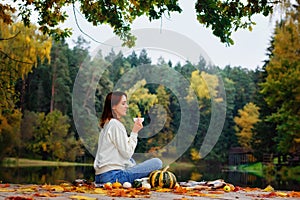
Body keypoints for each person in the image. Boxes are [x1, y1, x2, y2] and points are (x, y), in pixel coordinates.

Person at [94, 91, 163, 184]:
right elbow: (127, 153)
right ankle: (142, 180)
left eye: (126, 103)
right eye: (123, 103)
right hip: (113, 177)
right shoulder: (115, 124)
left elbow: (125, 155)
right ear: (113, 106)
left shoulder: (107, 124)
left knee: (131, 161)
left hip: (100, 176)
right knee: (157, 162)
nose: (127, 106)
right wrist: (134, 132)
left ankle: (140, 180)